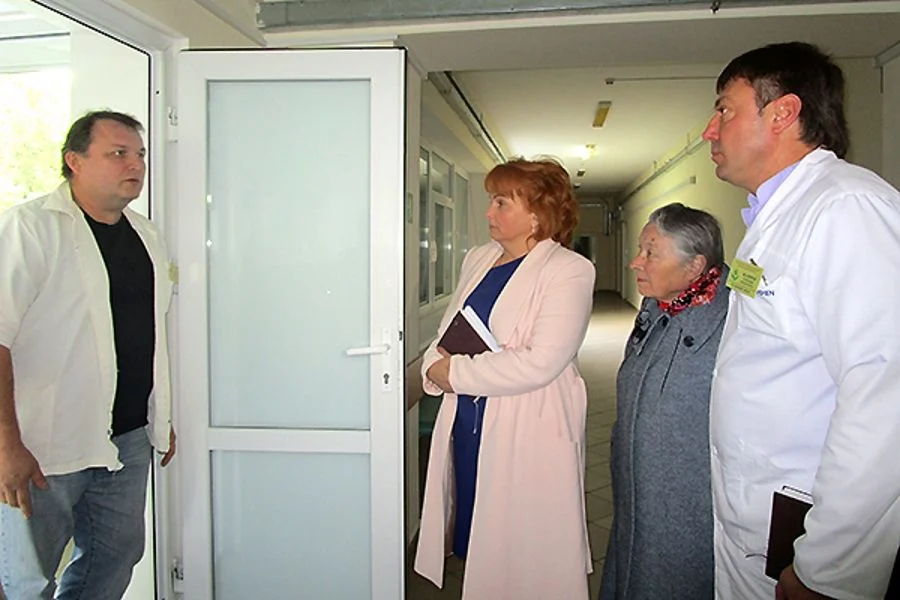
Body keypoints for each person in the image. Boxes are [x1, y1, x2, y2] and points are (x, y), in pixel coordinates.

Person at [702, 42, 900, 599]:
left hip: (807, 540)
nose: (709, 131)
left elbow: (885, 395)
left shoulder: (847, 209)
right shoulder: (775, 218)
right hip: (759, 521)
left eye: (724, 110)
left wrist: (828, 567)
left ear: (783, 112)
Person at [0, 110, 176, 599]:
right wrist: (6, 445)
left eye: (139, 154)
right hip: (43, 446)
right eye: (118, 153)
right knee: (30, 580)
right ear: (74, 161)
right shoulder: (29, 229)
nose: (135, 164)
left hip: (127, 440)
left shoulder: (146, 236)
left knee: (114, 559)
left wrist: (161, 416)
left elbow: (148, 335)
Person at [414, 158, 596, 599]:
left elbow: (541, 362)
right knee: (476, 526)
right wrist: (433, 365)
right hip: (470, 420)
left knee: (524, 544)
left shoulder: (569, 270)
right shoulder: (479, 259)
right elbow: (448, 330)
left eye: (500, 202)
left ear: (537, 213)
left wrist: (454, 372)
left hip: (528, 421)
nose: (488, 212)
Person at [599, 203, 728, 600]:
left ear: (694, 267)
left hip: (688, 508)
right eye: (640, 249)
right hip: (636, 493)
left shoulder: (733, 325)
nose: (635, 262)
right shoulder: (656, 308)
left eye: (650, 252)